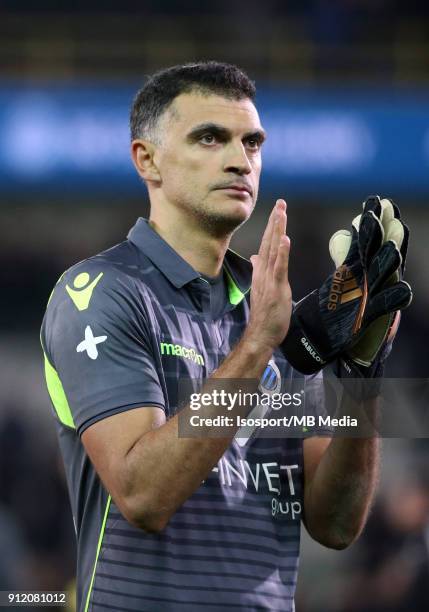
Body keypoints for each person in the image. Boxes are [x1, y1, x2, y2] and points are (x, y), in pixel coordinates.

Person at [41, 62, 381, 612]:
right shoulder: (101, 293)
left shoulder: (274, 313)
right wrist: (257, 347)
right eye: (209, 138)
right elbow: (143, 495)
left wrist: (361, 379)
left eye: (252, 142)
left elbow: (335, 523)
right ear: (146, 160)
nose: (238, 159)